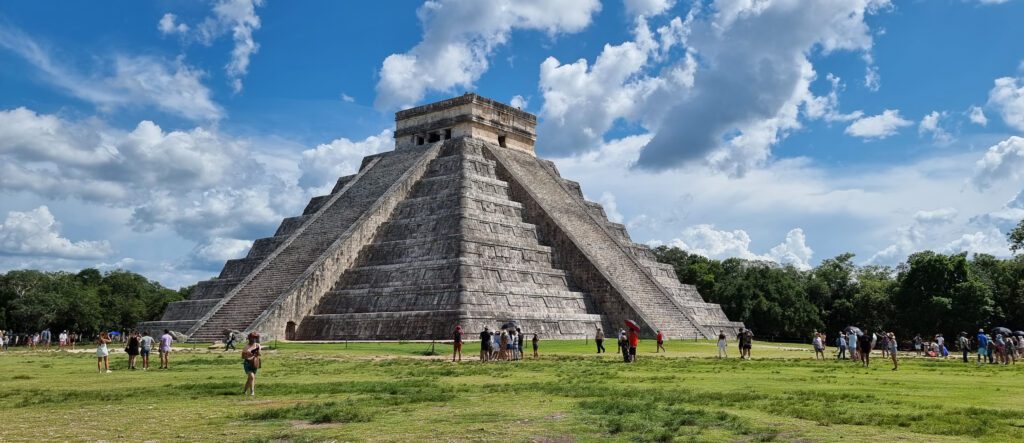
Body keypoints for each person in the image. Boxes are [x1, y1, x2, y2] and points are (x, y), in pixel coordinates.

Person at [242, 332, 261, 396]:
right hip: (247, 363)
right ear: (250, 338)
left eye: (255, 338)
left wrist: (256, 353)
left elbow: (259, 354)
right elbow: (243, 356)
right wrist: (248, 355)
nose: (254, 339)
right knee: (252, 377)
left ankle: (244, 391)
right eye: (253, 338)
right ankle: (252, 392)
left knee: (250, 378)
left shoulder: (257, 345)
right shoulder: (246, 347)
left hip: (255, 363)